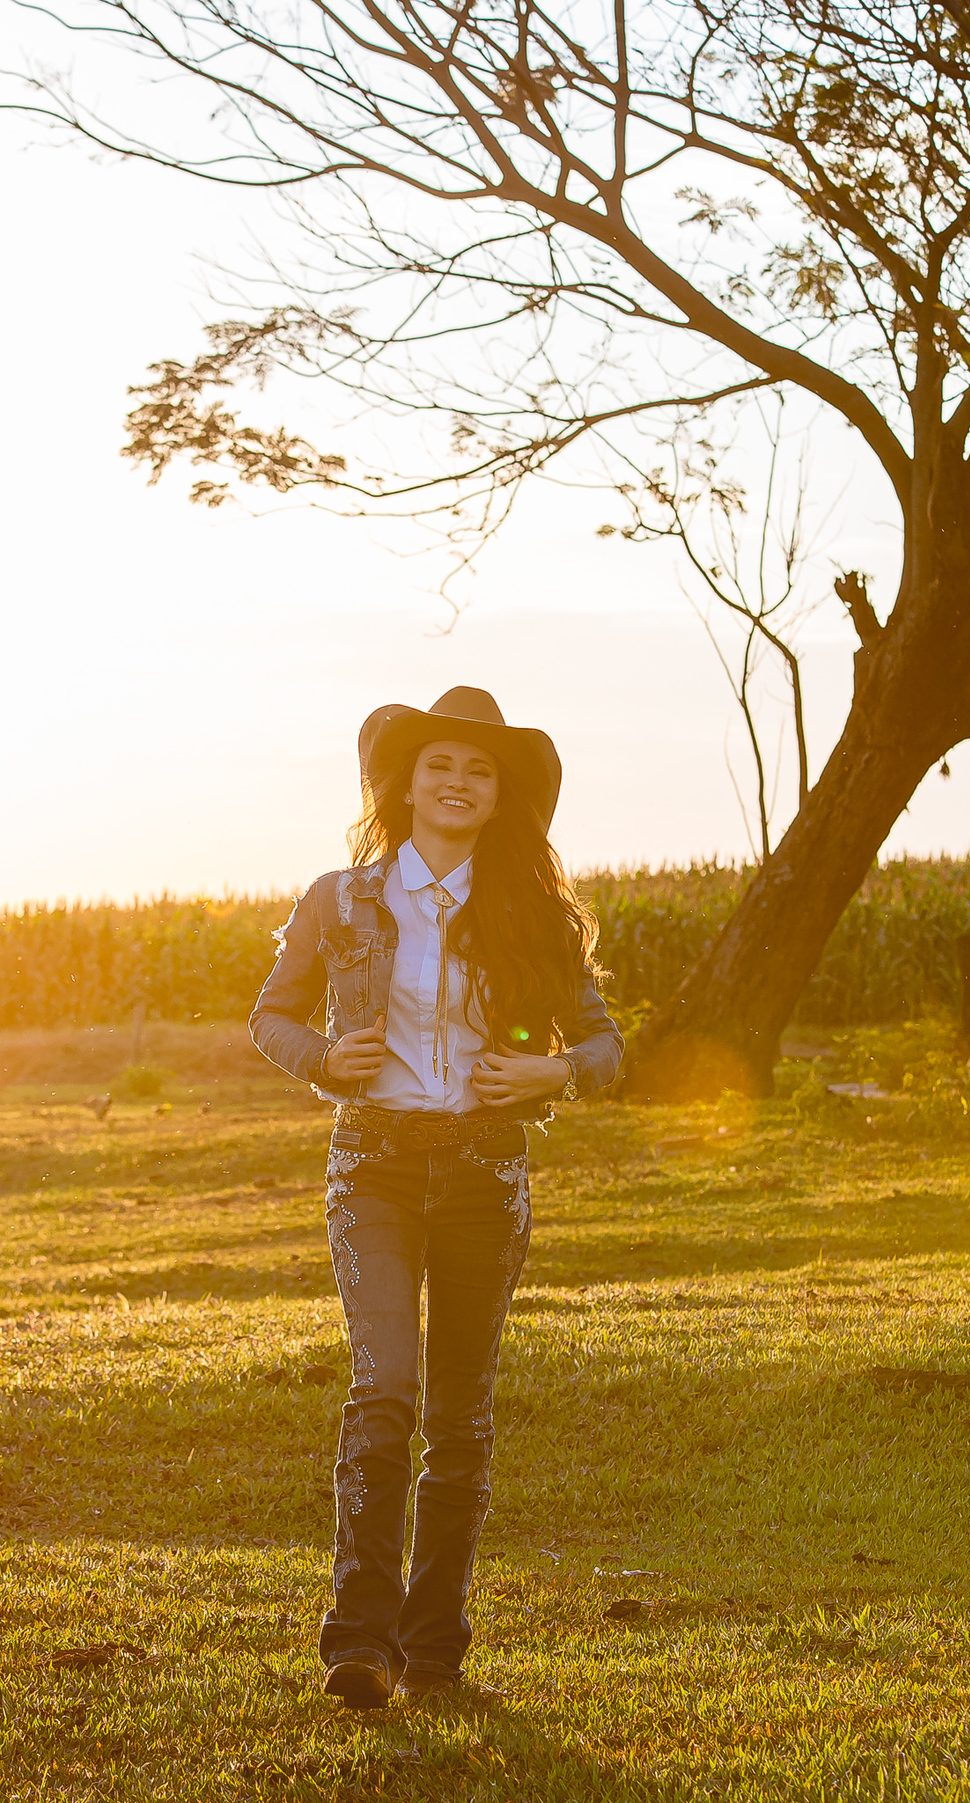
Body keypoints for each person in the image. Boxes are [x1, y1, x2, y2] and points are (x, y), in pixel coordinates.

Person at [249, 687, 624, 1707]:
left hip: (484, 1174)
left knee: (459, 1419)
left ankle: (434, 1651)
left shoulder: (533, 913)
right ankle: (359, 1645)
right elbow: (270, 1017)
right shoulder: (342, 899)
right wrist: (324, 1059)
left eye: (479, 770)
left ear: (500, 796)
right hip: (371, 1165)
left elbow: (604, 1046)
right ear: (406, 785)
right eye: (440, 765)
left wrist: (554, 1072)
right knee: (385, 1392)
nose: (457, 782)